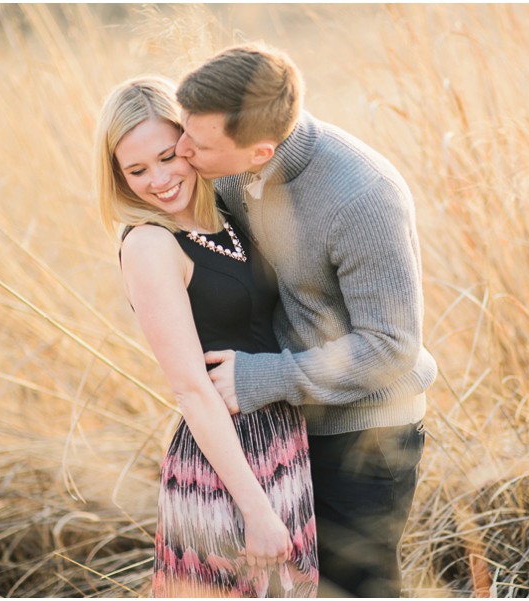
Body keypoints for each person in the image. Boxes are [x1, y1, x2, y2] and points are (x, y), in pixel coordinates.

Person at [174, 44, 438, 597]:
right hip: (280, 427)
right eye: (183, 131)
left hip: (365, 436)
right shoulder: (228, 171)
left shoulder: (362, 196)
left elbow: (392, 347)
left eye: (197, 145)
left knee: (355, 591)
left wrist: (262, 378)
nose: (181, 150)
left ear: (258, 151)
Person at [95, 76, 318, 598]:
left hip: (282, 447)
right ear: (118, 177)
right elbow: (192, 389)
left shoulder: (226, 218)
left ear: (191, 145)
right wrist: (257, 512)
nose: (160, 179)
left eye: (169, 156)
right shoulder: (150, 245)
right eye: (137, 170)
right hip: (228, 469)